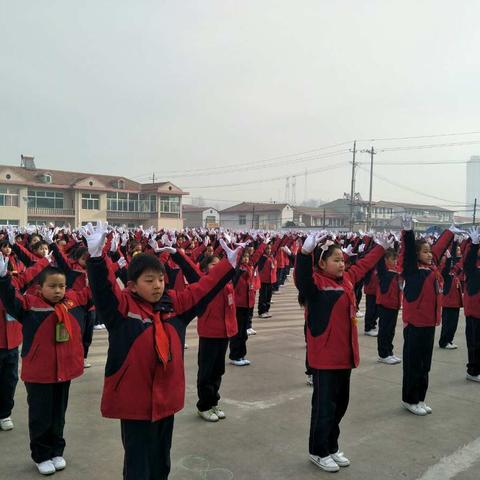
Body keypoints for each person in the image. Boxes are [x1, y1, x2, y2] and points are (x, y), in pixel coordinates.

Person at [84, 222, 240, 479]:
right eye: (149, 280)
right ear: (132, 285)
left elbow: (204, 288)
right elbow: (104, 290)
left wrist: (228, 266)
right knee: (137, 462)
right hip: (134, 401)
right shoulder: (123, 309)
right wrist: (97, 259)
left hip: (166, 398)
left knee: (160, 458)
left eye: (160, 279)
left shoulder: (175, 305)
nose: (157, 285)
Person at [295, 232, 391, 473]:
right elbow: (301, 278)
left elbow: (364, 265)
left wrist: (379, 247)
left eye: (342, 259)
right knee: (324, 408)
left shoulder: (347, 279)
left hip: (345, 356)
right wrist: (304, 254)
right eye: (335, 260)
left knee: (340, 406)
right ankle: (318, 450)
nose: (341, 263)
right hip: (325, 358)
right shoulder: (315, 284)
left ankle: (331, 445)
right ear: (322, 263)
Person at [0, 256, 91, 476]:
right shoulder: (29, 305)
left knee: (59, 413)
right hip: (39, 373)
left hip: (64, 372)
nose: (58, 290)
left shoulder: (71, 301)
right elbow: (10, 299)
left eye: (62, 286)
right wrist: (3, 279)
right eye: (52, 286)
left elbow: (96, 292)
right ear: (39, 287)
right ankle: (41, 454)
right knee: (41, 415)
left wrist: (99, 260)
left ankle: (57, 450)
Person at [401, 218, 457, 416]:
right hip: (415, 325)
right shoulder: (412, 270)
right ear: (417, 254)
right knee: (413, 365)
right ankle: (409, 399)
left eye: (429, 251)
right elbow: (407, 252)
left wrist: (449, 233)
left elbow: (438, 249)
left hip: (429, 324)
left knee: (425, 365)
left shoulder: (431, 269)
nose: (429, 254)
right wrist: (408, 232)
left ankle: (420, 398)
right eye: (424, 251)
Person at [376, 248, 402, 364]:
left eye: (396, 259)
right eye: (393, 259)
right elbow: (379, 262)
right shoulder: (383, 272)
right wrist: (381, 248)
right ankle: (383, 354)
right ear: (385, 260)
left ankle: (389, 351)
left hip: (394, 305)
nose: (395, 261)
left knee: (391, 330)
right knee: (384, 330)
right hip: (385, 305)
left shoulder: (397, 272)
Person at [438, 242, 463, 349]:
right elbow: (446, 267)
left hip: (456, 302)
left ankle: (449, 340)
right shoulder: (444, 271)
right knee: (447, 324)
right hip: (448, 302)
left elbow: (460, 262)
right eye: (457, 250)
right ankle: (444, 341)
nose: (459, 252)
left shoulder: (455, 271)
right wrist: (448, 259)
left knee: (453, 324)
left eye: (459, 250)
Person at [463, 227, 480, 382]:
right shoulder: (472, 267)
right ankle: (472, 371)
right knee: (474, 344)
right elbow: (468, 262)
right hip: (474, 312)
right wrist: (474, 245)